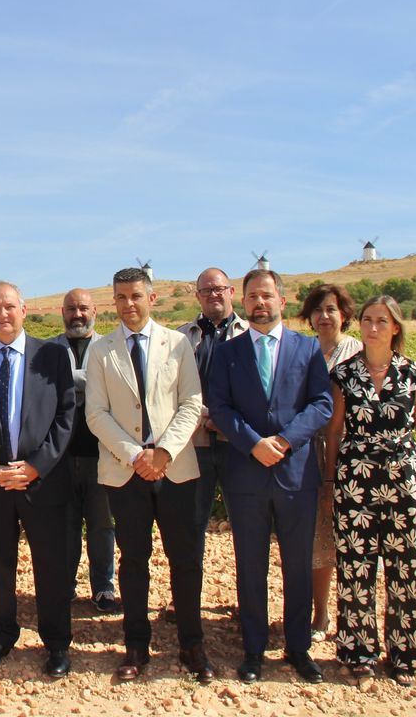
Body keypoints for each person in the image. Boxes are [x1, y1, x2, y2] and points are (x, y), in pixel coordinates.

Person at [84, 268, 212, 683]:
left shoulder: (178, 343)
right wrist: (136, 455)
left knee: (185, 559)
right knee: (134, 560)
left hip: (175, 468)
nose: (129, 304)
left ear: (151, 299)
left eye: (136, 296)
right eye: (121, 297)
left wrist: (164, 452)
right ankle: (136, 646)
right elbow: (96, 413)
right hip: (127, 471)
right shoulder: (101, 351)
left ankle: (192, 644)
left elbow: (191, 403)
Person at [207, 269, 333, 684]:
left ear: (282, 299)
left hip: (295, 474)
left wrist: (283, 440)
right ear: (243, 302)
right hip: (246, 476)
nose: (259, 303)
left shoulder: (307, 348)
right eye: (252, 297)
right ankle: (254, 650)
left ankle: (298, 648)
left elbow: (321, 404)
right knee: (250, 566)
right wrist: (252, 444)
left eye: (266, 295)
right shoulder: (228, 352)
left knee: (297, 565)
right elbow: (220, 407)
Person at [0, 281, 76, 678]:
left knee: (51, 565)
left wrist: (37, 465)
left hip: (42, 481)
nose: (2, 314)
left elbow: (66, 415)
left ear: (23, 310)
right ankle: (1, 636)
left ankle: (56, 643)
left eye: (9, 307)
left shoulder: (53, 356)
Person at [325, 296, 416, 687]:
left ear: (395, 327)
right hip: (355, 484)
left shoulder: (413, 373)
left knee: (406, 569)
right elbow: (334, 432)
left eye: (382, 321)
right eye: (368, 320)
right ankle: (359, 652)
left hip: (403, 483)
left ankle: (406, 654)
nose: (372, 328)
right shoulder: (344, 374)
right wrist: (330, 482)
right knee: (356, 569)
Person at [174, 268, 248, 621]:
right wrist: (205, 416)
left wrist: (228, 420)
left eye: (219, 289)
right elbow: (173, 387)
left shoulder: (250, 334)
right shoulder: (181, 337)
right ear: (198, 296)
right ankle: (186, 604)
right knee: (190, 527)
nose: (213, 295)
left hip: (239, 446)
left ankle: (249, 604)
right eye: (206, 290)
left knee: (246, 527)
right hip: (195, 443)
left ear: (231, 292)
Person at [298, 283, 362, 643]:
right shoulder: (304, 351)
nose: (324, 317)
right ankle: (320, 614)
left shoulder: (357, 353)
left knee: (353, 540)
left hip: (350, 455)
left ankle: (354, 616)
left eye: (331, 310)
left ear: (344, 315)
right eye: (318, 310)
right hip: (311, 452)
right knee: (318, 539)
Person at [52, 288, 118, 615]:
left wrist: (66, 379)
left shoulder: (110, 349)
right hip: (59, 455)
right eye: (71, 308)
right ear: (62, 312)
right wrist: (88, 380)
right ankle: (63, 587)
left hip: (101, 453)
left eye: (83, 308)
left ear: (95, 311)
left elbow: (110, 387)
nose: (77, 314)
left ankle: (104, 587)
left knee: (102, 525)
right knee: (64, 526)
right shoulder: (48, 350)